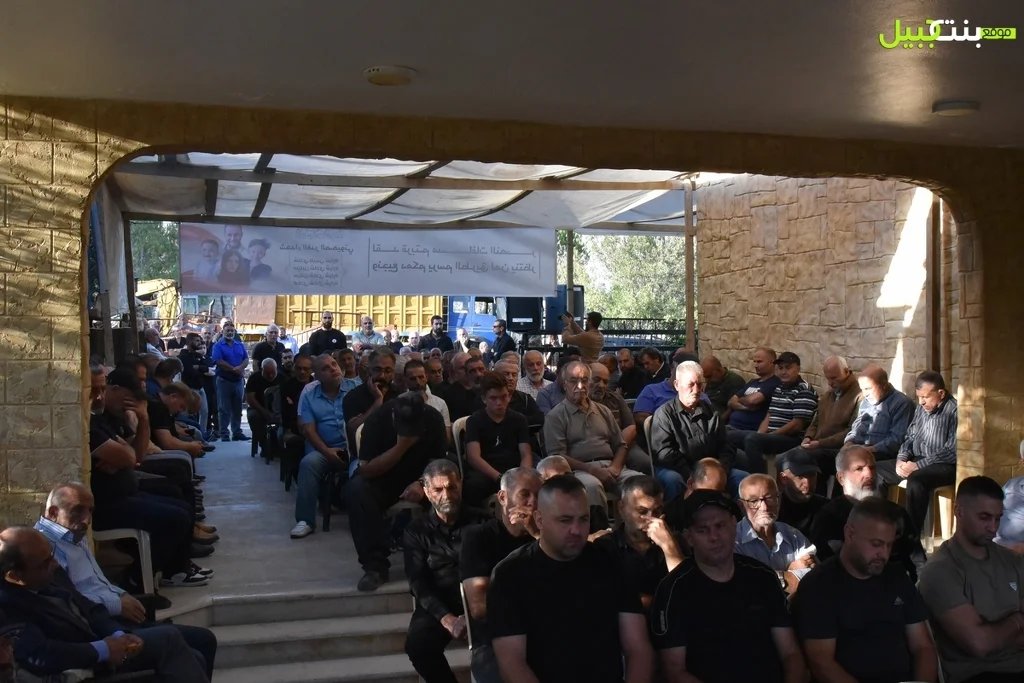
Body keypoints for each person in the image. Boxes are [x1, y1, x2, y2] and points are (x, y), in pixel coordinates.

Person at [35, 483, 218, 679]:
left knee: (203, 641)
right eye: (78, 511)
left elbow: (97, 582)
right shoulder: (45, 550)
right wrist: (117, 606)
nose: (86, 520)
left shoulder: (72, 535)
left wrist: (122, 594)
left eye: (90, 511)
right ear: (53, 512)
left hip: (118, 621)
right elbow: (72, 603)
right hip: (100, 631)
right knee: (185, 647)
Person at [488, 475, 654, 683]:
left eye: (583, 519)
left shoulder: (611, 562)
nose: (576, 530)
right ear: (539, 520)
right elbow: (512, 663)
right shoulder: (510, 574)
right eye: (565, 520)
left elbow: (638, 648)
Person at [0, 527, 211, 682]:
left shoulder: (48, 572)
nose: (55, 564)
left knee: (195, 656)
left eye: (52, 555)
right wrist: (103, 650)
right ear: (14, 575)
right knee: (170, 639)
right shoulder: (7, 605)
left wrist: (118, 634)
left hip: (105, 644)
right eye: (45, 563)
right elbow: (41, 655)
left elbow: (90, 608)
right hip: (84, 666)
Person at [650, 490, 807, 683]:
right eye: (702, 530)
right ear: (689, 537)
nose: (714, 536)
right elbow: (674, 671)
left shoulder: (762, 577)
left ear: (734, 525)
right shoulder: (673, 590)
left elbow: (790, 653)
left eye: (720, 526)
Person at [794, 497, 937, 683]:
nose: (883, 554)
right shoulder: (820, 586)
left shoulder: (897, 576)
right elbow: (821, 662)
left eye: (889, 545)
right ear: (850, 534)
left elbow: (923, 646)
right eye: (876, 544)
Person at [918, 476, 1024, 682]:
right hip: (977, 674)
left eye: (998, 518)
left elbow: (987, 640)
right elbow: (979, 644)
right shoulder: (941, 571)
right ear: (959, 512)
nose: (993, 527)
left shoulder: (1012, 560)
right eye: (984, 517)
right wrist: (1018, 620)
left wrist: (997, 634)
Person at [348, 393, 448, 591]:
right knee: (357, 490)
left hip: (422, 476)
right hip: (384, 478)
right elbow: (366, 470)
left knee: (450, 482)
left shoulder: (433, 418)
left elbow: (438, 462)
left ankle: (442, 558)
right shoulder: (377, 420)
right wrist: (402, 445)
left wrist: (422, 483)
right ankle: (375, 567)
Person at [460, 467, 542, 683]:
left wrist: (537, 535)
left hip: (545, 635)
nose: (533, 502)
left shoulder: (546, 539)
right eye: (525, 494)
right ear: (503, 497)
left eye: (539, 495)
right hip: (495, 639)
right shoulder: (478, 538)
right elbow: (479, 608)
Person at [543, 361, 644, 528]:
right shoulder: (556, 416)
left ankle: (635, 534)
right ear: (564, 384)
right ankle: (599, 535)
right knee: (591, 487)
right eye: (574, 381)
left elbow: (620, 444)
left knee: (639, 483)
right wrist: (592, 470)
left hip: (612, 467)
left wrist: (615, 468)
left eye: (584, 380)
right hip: (579, 470)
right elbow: (557, 456)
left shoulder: (603, 411)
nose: (580, 386)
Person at [403, 460, 476, 683]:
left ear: (460, 485)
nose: (447, 495)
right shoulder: (416, 531)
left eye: (452, 487)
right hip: (440, 600)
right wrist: (447, 619)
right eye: (438, 489)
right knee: (418, 646)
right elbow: (418, 583)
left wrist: (475, 610)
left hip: (480, 599)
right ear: (426, 492)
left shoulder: (482, 522)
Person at [809, 445, 927, 581]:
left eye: (872, 468)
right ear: (841, 478)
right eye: (859, 469)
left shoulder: (895, 513)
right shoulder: (828, 518)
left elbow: (918, 563)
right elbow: (826, 567)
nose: (869, 475)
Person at [876, 370, 958, 535]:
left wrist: (918, 465)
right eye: (919, 397)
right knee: (876, 470)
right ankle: (880, 525)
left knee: (917, 480)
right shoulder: (921, 408)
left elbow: (952, 450)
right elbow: (910, 436)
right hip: (915, 460)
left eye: (925, 397)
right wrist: (901, 459)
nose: (921, 402)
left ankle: (910, 536)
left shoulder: (954, 410)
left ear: (941, 393)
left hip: (942, 464)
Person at [650, 360, 740, 502]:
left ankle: (732, 515)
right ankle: (677, 515)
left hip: (711, 470)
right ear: (677, 385)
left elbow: (726, 444)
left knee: (742, 478)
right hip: (679, 470)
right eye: (691, 385)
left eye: (699, 384)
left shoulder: (711, 411)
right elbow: (664, 453)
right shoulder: (664, 415)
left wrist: (721, 470)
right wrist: (693, 476)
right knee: (673, 480)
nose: (697, 390)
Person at [594, 475, 683, 608]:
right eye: (642, 511)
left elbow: (686, 591)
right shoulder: (605, 547)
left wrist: (669, 548)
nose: (650, 519)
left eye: (657, 511)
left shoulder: (674, 543)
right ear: (621, 508)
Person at [775, 355, 862, 485]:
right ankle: (789, 495)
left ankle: (807, 493)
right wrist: (808, 437)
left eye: (834, 378)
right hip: (816, 444)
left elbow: (852, 431)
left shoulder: (859, 395)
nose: (830, 383)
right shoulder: (828, 395)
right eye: (828, 378)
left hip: (836, 448)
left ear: (846, 372)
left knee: (797, 460)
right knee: (781, 460)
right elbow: (815, 421)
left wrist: (820, 443)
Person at [290, 354, 348, 539]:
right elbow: (308, 430)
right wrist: (327, 451)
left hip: (354, 448)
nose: (333, 369)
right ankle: (305, 520)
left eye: (334, 364)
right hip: (324, 448)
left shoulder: (354, 389)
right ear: (316, 376)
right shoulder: (309, 396)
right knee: (308, 464)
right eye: (326, 368)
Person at [733, 351, 818, 474]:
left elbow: (797, 425)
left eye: (788, 368)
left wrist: (770, 435)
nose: (783, 372)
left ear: (798, 369)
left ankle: (761, 480)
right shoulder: (779, 388)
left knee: (752, 440)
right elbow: (769, 415)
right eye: (780, 368)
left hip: (791, 438)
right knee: (730, 436)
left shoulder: (804, 389)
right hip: (773, 436)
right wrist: (760, 434)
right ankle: (739, 477)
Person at [735, 474, 816, 594]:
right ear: (742, 506)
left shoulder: (792, 535)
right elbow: (747, 585)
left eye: (770, 498)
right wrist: (787, 574)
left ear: (779, 500)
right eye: (754, 501)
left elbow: (814, 577)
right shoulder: (733, 540)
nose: (764, 507)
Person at [463, 372, 532, 507]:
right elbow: (473, 457)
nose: (499, 403)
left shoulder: (519, 419)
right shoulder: (474, 420)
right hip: (487, 471)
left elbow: (526, 454)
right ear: (484, 399)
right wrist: (500, 478)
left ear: (509, 396)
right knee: (473, 485)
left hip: (513, 468)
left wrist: (523, 475)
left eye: (503, 397)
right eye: (493, 398)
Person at [843, 362, 915, 460]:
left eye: (868, 388)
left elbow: (896, 440)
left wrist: (870, 450)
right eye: (862, 389)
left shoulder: (902, 403)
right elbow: (856, 428)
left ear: (883, 385)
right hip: (857, 450)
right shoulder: (866, 402)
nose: (865, 394)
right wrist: (848, 443)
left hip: (880, 454)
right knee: (823, 455)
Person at [343, 347, 399, 459]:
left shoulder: (399, 395)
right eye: (377, 370)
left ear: (393, 373)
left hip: (395, 453)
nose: (382, 375)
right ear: (369, 370)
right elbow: (353, 431)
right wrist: (378, 402)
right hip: (363, 456)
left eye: (388, 371)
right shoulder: (353, 396)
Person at [725, 346, 782, 435]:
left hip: (748, 430)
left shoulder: (774, 383)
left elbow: (752, 401)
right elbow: (731, 402)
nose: (755, 365)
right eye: (754, 362)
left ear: (772, 363)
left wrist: (740, 399)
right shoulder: (752, 382)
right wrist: (746, 407)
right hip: (731, 426)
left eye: (759, 362)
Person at [776, 449, 829, 538]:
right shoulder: (772, 510)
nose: (807, 484)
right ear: (783, 478)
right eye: (800, 477)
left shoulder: (827, 509)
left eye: (812, 475)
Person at [211, 319, 249, 441]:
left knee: (238, 408)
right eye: (227, 330)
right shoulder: (218, 346)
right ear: (223, 331)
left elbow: (246, 359)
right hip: (224, 380)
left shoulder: (239, 344)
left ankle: (237, 432)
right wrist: (233, 369)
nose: (230, 333)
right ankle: (224, 434)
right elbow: (218, 361)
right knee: (223, 408)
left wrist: (240, 368)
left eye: (232, 330)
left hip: (238, 381)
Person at [245, 357, 281, 459]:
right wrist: (263, 411)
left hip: (277, 409)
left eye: (273, 373)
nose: (270, 376)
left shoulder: (282, 377)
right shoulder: (254, 378)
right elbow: (250, 398)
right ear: (262, 370)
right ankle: (265, 446)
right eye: (267, 373)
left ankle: (277, 445)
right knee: (254, 417)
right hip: (258, 408)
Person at [442, 353, 485, 421]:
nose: (468, 370)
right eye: (463, 368)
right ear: (454, 372)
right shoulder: (447, 395)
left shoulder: (486, 389)